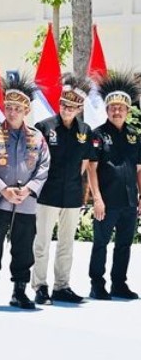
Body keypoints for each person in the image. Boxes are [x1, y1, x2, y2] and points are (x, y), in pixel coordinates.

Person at [0, 75, 49, 310]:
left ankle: (19, 291)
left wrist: (29, 189)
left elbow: (44, 166)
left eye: (17, 108)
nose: (12, 112)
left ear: (26, 110)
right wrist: (3, 189)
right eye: (8, 107)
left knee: (23, 247)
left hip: (26, 202)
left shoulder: (37, 137)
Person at [31, 73, 94, 305]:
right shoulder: (44, 127)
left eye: (73, 106)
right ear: (59, 104)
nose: (68, 109)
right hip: (47, 193)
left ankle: (62, 286)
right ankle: (40, 286)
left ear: (80, 108)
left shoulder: (84, 131)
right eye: (65, 104)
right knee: (42, 242)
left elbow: (85, 163)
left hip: (72, 195)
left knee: (67, 243)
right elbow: (34, 160)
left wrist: (76, 187)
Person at [87, 70, 141, 300]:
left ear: (128, 110)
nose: (117, 111)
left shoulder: (134, 135)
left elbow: (139, 168)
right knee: (100, 243)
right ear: (107, 110)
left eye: (121, 107)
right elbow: (91, 168)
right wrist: (97, 198)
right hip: (107, 202)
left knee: (124, 244)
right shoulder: (98, 134)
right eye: (112, 107)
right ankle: (97, 284)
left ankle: (119, 283)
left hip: (129, 201)